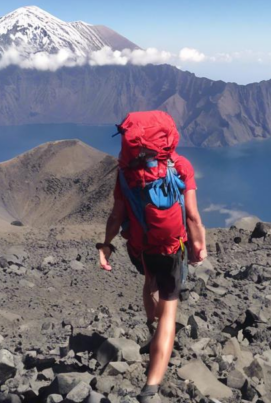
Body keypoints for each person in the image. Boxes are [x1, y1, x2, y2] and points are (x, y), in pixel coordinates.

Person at [97, 111, 207, 403]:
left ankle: (150, 326)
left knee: (149, 281)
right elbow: (192, 216)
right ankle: (151, 385)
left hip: (141, 247)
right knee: (170, 311)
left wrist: (105, 245)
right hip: (172, 249)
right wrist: (199, 247)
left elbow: (116, 215)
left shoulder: (125, 173)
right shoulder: (181, 166)